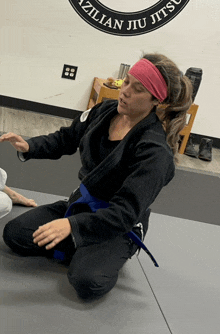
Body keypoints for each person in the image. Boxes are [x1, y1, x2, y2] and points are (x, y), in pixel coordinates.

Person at [0, 53, 193, 301]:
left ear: (156, 100)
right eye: (127, 82)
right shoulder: (104, 111)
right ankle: (82, 244)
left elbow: (125, 212)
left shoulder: (154, 153)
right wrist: (30, 146)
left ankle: (100, 249)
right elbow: (66, 138)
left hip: (119, 223)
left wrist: (71, 226)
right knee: (15, 234)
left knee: (87, 281)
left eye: (138, 89)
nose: (125, 92)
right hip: (81, 206)